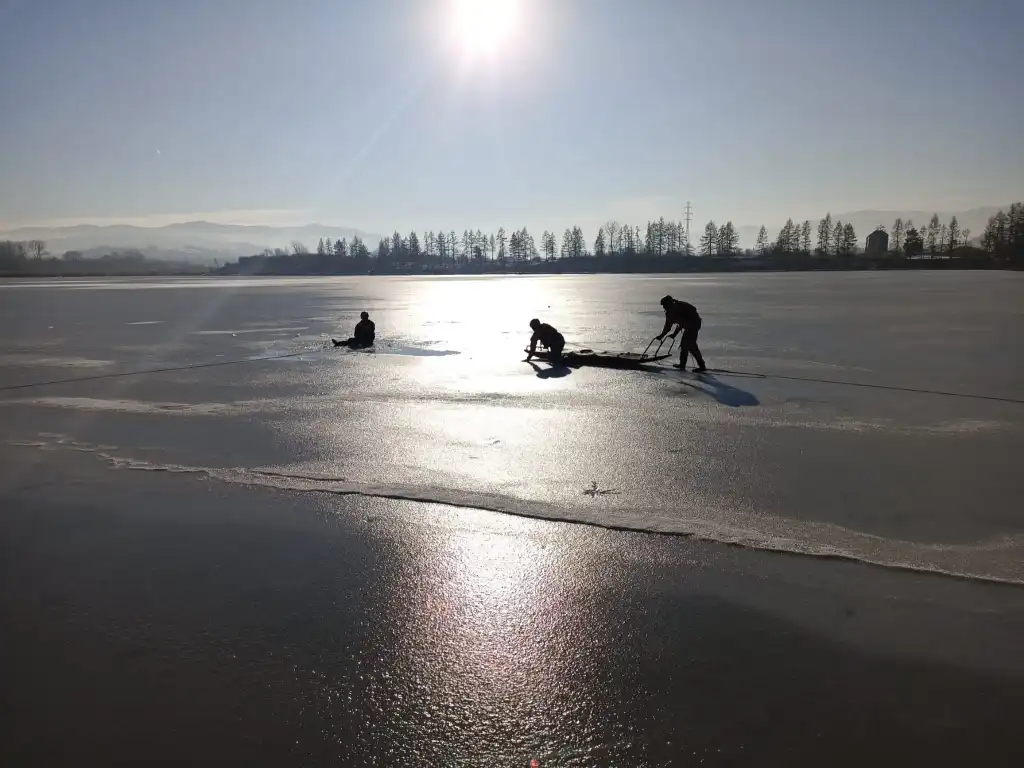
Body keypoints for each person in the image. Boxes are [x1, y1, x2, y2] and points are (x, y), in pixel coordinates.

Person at [656, 295, 707, 372]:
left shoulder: (673, 310)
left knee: (689, 346)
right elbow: (681, 323)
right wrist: (674, 334)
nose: (663, 307)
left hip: (692, 325)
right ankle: (684, 365)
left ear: (668, 303)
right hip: (693, 324)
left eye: (664, 305)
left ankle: (700, 366)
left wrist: (661, 336)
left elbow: (668, 326)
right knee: (687, 345)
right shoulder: (677, 306)